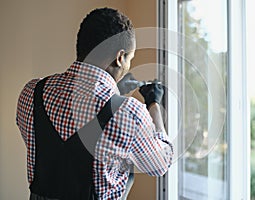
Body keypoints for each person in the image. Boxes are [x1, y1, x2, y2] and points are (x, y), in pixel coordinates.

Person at [16, 7, 173, 200]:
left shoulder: (31, 92)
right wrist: (154, 104)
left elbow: (62, 138)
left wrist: (115, 95)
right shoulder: (129, 111)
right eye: (129, 59)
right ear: (120, 58)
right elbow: (159, 164)